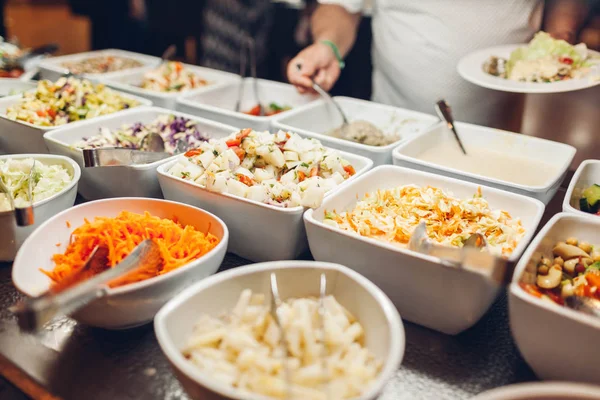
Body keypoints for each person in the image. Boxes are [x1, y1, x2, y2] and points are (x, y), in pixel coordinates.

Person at [287, 0, 590, 131]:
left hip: (508, 131)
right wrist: (327, 44)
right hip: (396, 125)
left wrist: (559, 39)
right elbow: (340, 5)